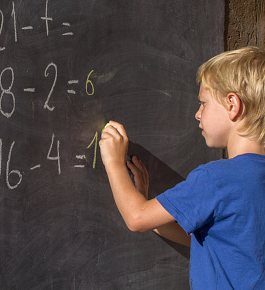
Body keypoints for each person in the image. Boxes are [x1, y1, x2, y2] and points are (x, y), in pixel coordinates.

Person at [99, 47, 265, 289]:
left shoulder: (216, 179)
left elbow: (136, 218)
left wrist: (113, 161)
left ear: (232, 104)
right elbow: (206, 240)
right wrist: (147, 201)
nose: (198, 114)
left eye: (203, 103)